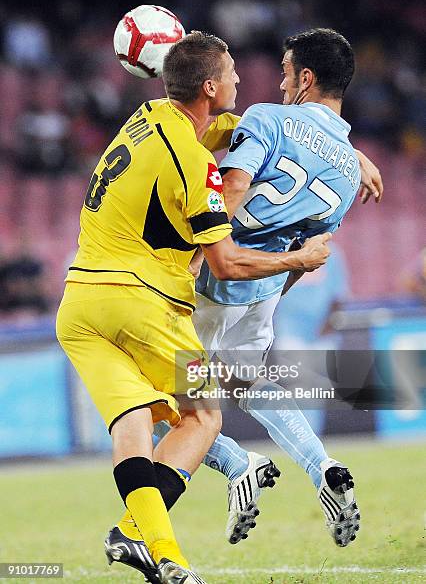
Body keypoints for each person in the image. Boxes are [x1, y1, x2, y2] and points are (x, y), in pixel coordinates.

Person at [56, 31, 331, 584]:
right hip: (143, 306)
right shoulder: (196, 167)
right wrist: (298, 259)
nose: (239, 80)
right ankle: (142, 537)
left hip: (81, 308)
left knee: (134, 425)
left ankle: (154, 553)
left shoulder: (149, 116)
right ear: (209, 85)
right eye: (230, 73)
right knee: (203, 415)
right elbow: (225, 263)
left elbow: (219, 127)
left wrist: (353, 152)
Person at [186, 28, 382, 549]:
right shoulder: (348, 170)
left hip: (209, 284)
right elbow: (308, 256)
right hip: (263, 291)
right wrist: (270, 292)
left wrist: (198, 259)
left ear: (306, 78)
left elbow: (230, 189)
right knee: (245, 384)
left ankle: (237, 464)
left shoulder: (267, 117)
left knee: (152, 400)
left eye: (285, 72)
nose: (278, 81)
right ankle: (324, 468)